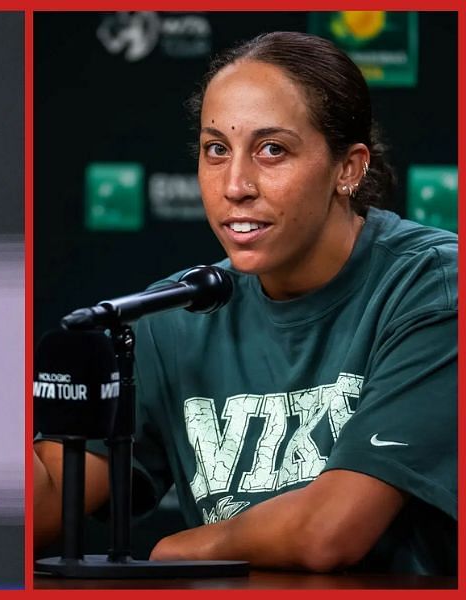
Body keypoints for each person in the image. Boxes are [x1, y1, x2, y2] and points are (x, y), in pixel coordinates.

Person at [34, 31, 456, 575]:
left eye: (272, 150)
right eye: (217, 150)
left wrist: (177, 551)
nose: (235, 185)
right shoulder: (173, 316)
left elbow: (328, 532)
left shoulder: (433, 286)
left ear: (348, 169)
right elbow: (44, 509)